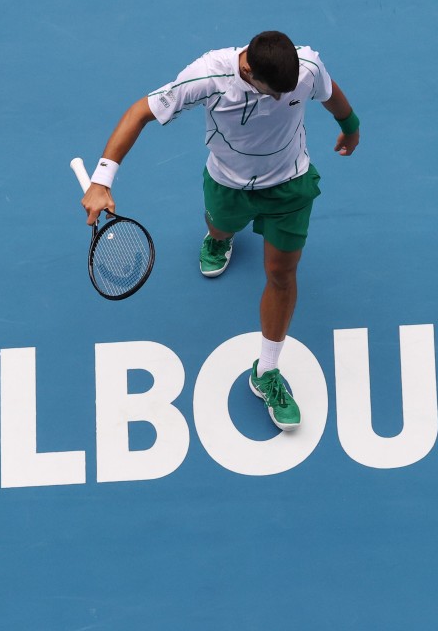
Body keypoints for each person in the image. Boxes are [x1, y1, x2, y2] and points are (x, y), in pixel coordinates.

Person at [80, 30, 359, 431]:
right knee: (220, 226)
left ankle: (266, 372)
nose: (284, 99)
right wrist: (101, 180)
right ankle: (219, 238)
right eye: (273, 93)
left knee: (281, 274)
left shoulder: (305, 67)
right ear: (246, 68)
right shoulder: (208, 75)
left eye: (288, 92)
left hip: (289, 186)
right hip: (228, 183)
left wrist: (351, 125)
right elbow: (140, 111)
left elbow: (330, 93)